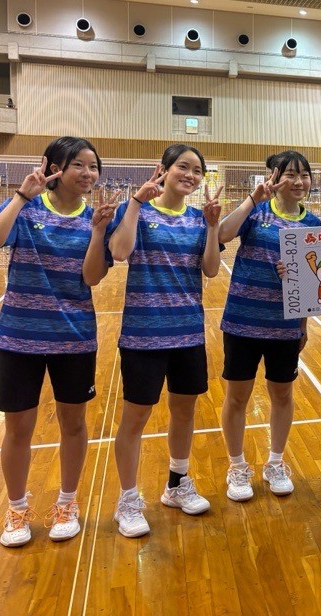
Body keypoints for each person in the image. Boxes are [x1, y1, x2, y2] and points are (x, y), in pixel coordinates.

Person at [0, 138, 113, 547]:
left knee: (73, 425)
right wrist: (22, 195)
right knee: (18, 428)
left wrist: (98, 232)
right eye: (79, 165)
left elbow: (92, 278)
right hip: (19, 338)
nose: (88, 173)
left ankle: (67, 503)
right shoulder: (27, 208)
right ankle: (17, 508)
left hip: (74, 338)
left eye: (93, 166)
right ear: (55, 168)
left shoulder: (94, 217)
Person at [107, 144, 222, 537]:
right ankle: (128, 500)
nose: (190, 175)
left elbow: (210, 270)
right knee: (135, 418)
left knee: (184, 412)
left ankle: (176, 484)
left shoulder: (198, 219)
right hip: (143, 334)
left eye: (197, 170)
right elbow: (119, 252)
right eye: (182, 167)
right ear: (164, 170)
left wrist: (211, 226)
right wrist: (136, 202)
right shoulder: (137, 210)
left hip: (188, 332)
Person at [217, 151, 321, 502]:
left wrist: (303, 325)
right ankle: (237, 466)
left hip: (285, 326)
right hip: (243, 322)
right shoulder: (257, 211)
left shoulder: (314, 225)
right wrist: (253, 199)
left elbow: (315, 284)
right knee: (237, 397)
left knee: (282, 395)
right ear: (275, 177)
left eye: (304, 175)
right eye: (290, 174)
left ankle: (275, 462)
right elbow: (222, 234)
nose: (298, 181)